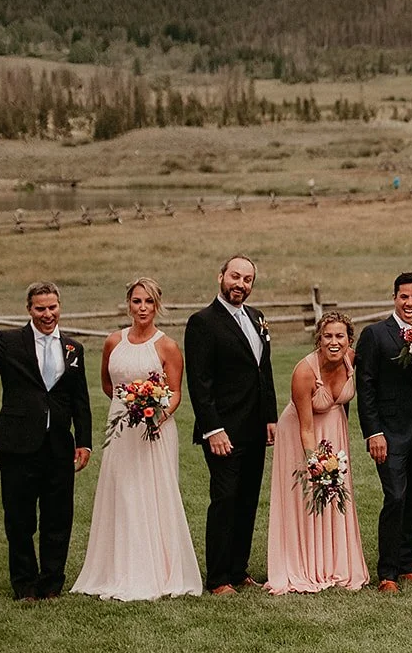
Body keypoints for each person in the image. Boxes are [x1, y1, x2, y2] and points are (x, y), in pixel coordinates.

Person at [0, 284, 92, 600]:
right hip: (18, 446)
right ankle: (25, 585)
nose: (47, 314)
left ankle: (52, 584)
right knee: (20, 521)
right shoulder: (9, 342)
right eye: (40, 309)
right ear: (29, 310)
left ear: (59, 306)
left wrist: (84, 442)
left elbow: (80, 400)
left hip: (59, 447)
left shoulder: (73, 349)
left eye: (52, 307)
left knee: (58, 519)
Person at [72, 278, 202, 600]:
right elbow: (108, 384)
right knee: (122, 494)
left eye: (148, 302)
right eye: (136, 301)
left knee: (153, 494)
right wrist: (127, 406)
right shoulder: (112, 341)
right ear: (128, 304)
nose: (142, 308)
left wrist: (155, 414)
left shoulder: (167, 346)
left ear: (157, 306)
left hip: (155, 430)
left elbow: (175, 394)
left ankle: (157, 569)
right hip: (120, 429)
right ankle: (117, 568)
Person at [184, 256, 277, 595]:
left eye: (248, 279)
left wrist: (270, 417)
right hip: (223, 430)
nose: (241, 284)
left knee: (248, 498)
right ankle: (219, 577)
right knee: (225, 498)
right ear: (220, 276)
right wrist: (213, 429)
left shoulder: (256, 318)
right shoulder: (202, 322)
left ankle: (238, 570)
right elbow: (200, 382)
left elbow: (263, 370)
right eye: (235, 276)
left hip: (255, 426)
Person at [265, 311, 369, 594]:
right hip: (301, 433)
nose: (334, 342)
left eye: (340, 336)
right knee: (308, 494)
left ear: (349, 339)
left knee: (336, 494)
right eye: (327, 336)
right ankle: (304, 563)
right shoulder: (304, 372)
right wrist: (314, 461)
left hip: (335, 429)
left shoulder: (352, 358)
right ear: (318, 339)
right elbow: (306, 427)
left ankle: (336, 562)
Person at [355, 272, 412, 593]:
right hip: (388, 433)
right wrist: (373, 432)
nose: (409, 303)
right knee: (395, 497)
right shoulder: (375, 335)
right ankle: (387, 572)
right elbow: (366, 387)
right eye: (404, 297)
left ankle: (406, 565)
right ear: (394, 297)